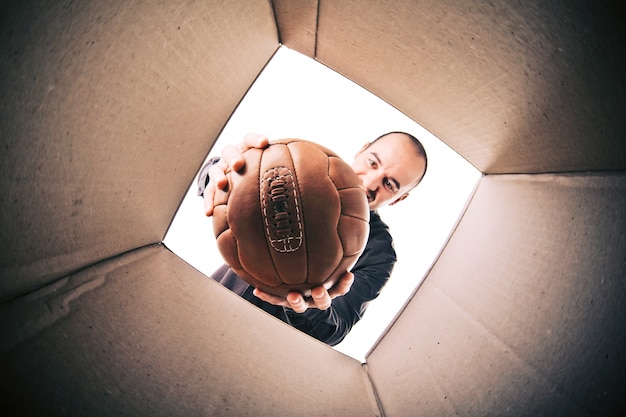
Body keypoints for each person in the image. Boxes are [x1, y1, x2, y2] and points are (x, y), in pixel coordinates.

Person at [198, 132, 427, 346]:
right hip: (204, 312)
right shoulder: (301, 168)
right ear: (362, 151)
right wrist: (219, 174)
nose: (370, 183)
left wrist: (306, 305)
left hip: (265, 357)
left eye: (389, 184)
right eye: (373, 163)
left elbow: (335, 330)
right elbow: (223, 176)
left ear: (399, 199)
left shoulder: (381, 255)